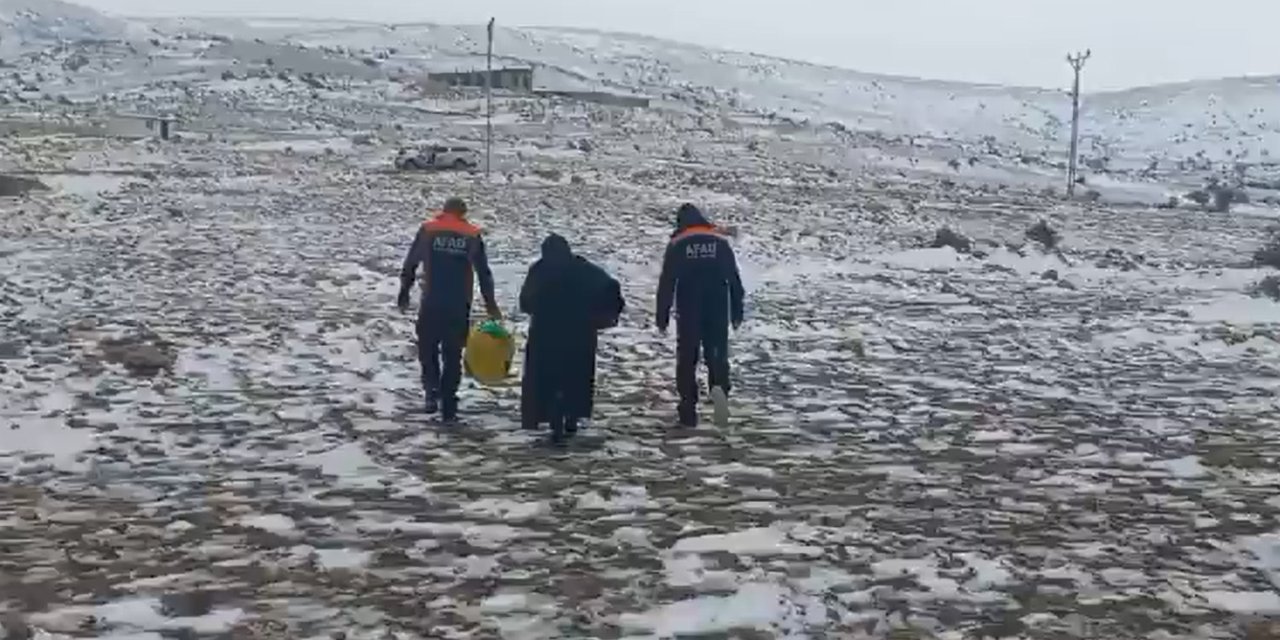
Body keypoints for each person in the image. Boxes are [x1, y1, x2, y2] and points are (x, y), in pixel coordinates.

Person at [397, 197, 501, 422]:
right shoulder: (471, 235)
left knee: (428, 349)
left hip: (432, 301)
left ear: (443, 211)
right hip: (458, 305)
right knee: (452, 354)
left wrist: (404, 291)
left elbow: (411, 263)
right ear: (463, 213)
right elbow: (483, 272)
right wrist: (490, 304)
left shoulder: (428, 230)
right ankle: (448, 399)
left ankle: (431, 392)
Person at [519, 234, 624, 445]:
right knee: (576, 379)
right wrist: (606, 315)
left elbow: (525, 302)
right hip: (579, 335)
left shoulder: (540, 270)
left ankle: (549, 417)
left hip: (545, 335)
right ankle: (572, 415)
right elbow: (611, 288)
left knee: (545, 380)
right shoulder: (585, 269)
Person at [655, 203, 744, 428]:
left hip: (689, 309)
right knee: (717, 355)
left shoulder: (677, 244)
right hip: (717, 308)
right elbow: (734, 280)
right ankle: (720, 399)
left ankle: (688, 410)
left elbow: (667, 283)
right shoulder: (719, 242)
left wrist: (662, 315)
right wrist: (736, 311)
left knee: (687, 358)